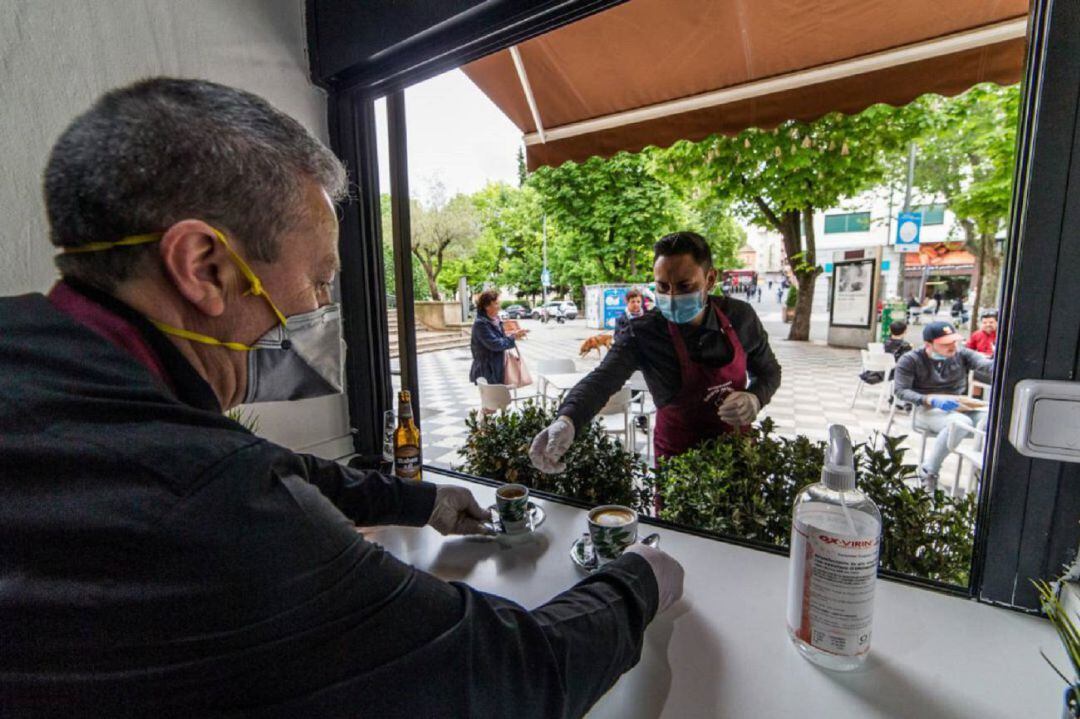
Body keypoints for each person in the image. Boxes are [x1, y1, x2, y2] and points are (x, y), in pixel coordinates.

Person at [0, 78, 685, 717]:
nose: (326, 308)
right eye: (321, 279)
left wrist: (419, 499)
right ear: (205, 268)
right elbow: (511, 672)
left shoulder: (45, 366)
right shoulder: (214, 504)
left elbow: (273, 466)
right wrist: (639, 581)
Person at [530, 232, 781, 470]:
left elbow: (769, 372)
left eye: (684, 286)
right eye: (662, 287)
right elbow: (602, 379)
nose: (672, 297)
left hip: (736, 453)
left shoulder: (740, 317)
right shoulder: (643, 332)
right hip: (678, 459)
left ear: (711, 279)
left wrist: (755, 397)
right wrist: (567, 419)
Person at [893, 321, 994, 491]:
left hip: (959, 405)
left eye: (954, 341)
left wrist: (1000, 359)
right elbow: (901, 391)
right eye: (945, 344)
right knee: (960, 423)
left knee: (992, 419)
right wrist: (930, 400)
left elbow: (986, 365)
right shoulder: (911, 359)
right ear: (928, 345)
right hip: (925, 409)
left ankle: (984, 473)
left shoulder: (962, 354)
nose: (952, 346)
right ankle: (929, 470)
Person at [470, 289, 527, 384]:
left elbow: (500, 339)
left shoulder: (495, 320)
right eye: (496, 303)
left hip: (498, 366)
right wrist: (513, 337)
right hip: (488, 371)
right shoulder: (481, 324)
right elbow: (495, 344)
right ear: (487, 306)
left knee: (500, 398)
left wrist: (514, 334)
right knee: (494, 398)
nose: (499, 307)